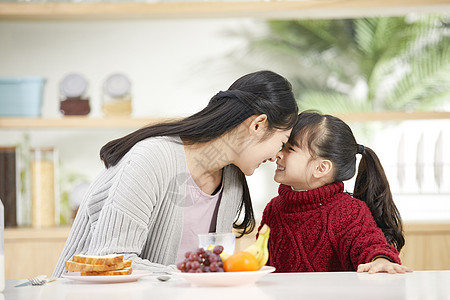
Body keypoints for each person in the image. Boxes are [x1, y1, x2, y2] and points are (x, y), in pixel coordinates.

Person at [53, 70, 299, 277]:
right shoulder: (152, 159)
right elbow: (108, 265)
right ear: (257, 125)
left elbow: (208, 269)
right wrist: (186, 280)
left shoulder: (232, 180)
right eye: (282, 142)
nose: (277, 156)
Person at [260, 111, 412, 274]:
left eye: (290, 148)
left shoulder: (350, 211)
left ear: (321, 168)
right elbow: (262, 260)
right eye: (282, 146)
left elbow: (371, 246)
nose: (278, 154)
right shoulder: (273, 209)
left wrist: (380, 261)